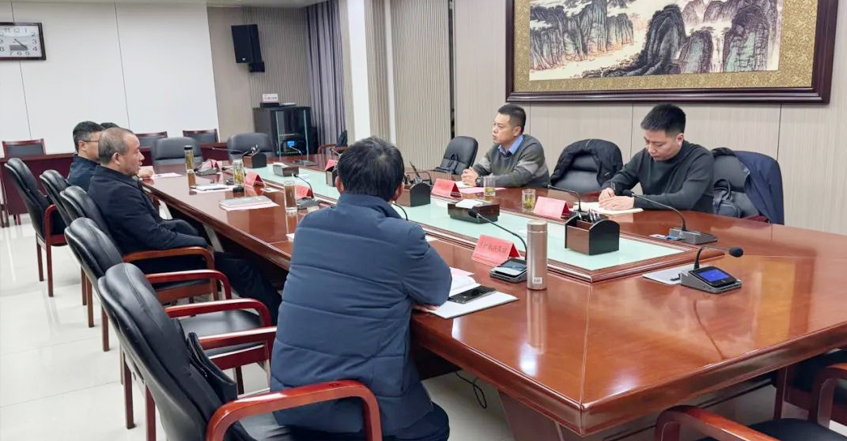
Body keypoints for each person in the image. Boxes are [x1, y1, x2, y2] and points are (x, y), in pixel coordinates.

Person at [271, 137, 452, 441]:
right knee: (435, 424)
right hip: (354, 409)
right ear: (398, 190)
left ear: (339, 184)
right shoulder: (403, 236)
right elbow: (438, 290)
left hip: (290, 400)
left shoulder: (308, 225)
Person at [88, 128, 282, 323]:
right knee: (242, 267)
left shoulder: (103, 180)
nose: (141, 157)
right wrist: (201, 243)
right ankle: (279, 320)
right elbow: (157, 238)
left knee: (235, 256)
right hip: (153, 263)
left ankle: (273, 308)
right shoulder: (119, 193)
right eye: (136, 152)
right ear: (117, 158)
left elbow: (151, 229)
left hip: (145, 255)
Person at [599, 104, 714, 213]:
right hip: (654, 222)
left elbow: (685, 199)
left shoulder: (700, 158)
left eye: (658, 144)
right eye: (647, 141)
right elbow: (618, 180)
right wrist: (609, 189)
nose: (650, 149)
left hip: (692, 224)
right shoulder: (644, 156)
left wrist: (634, 202)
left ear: (679, 139)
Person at [461, 104, 549, 188]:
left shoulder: (532, 148)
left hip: (532, 196)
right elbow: (481, 168)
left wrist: (479, 181)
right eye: (494, 124)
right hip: (505, 195)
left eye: (500, 126)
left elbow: (517, 179)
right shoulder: (497, 148)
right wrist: (470, 175)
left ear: (516, 131)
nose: (494, 130)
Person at [68, 121, 104, 190]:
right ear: (83, 145)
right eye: (101, 142)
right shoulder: (89, 176)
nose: (105, 145)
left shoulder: (79, 167)